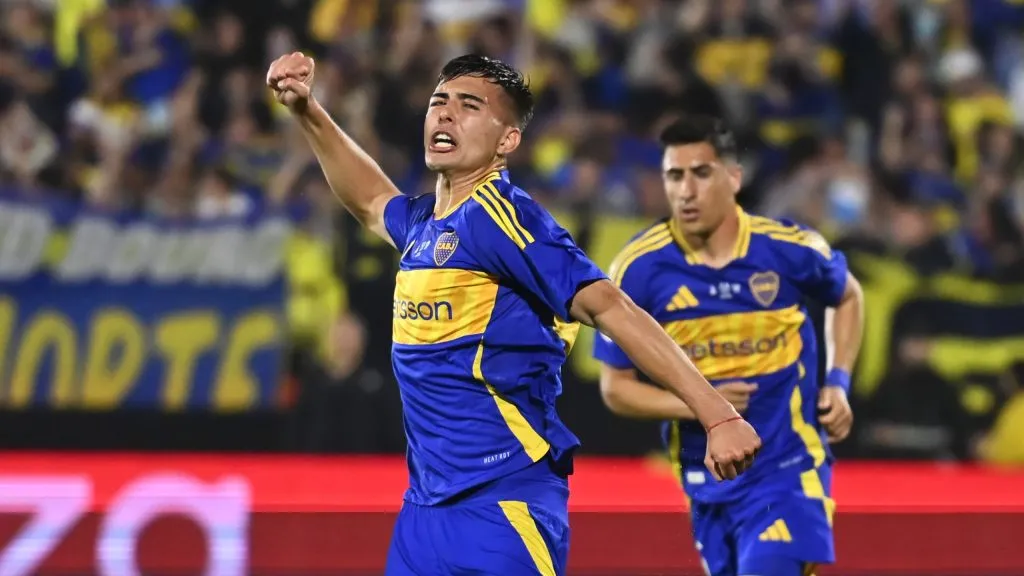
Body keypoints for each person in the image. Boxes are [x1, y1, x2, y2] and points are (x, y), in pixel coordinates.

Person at [266, 53, 761, 575]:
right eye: (439, 101)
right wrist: (307, 110)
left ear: (507, 140)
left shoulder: (507, 219)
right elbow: (370, 200)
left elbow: (610, 306)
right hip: (424, 511)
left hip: (502, 503)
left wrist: (718, 415)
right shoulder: (424, 225)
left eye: (469, 105)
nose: (445, 113)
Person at [593, 116, 864, 576]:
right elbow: (616, 389)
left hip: (788, 468)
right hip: (707, 480)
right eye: (674, 176)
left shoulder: (787, 248)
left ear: (734, 178)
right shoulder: (637, 269)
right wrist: (705, 406)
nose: (686, 191)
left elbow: (849, 295)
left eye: (701, 173)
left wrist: (838, 382)